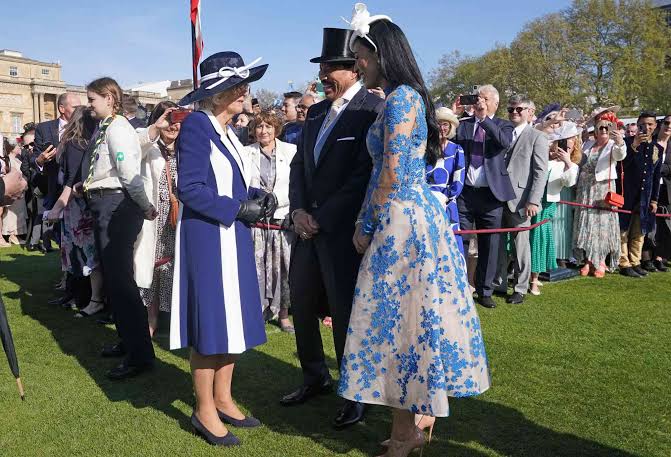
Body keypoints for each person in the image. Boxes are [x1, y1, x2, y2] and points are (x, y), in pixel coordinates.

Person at [339, 6, 490, 456]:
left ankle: (407, 434)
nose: (357, 64)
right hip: (403, 218)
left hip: (402, 225)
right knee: (400, 327)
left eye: (360, 56)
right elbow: (383, 174)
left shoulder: (402, 99)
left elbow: (391, 172)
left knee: (402, 329)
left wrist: (366, 225)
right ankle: (410, 425)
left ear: (380, 53)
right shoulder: (400, 98)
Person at [171, 52, 275, 446]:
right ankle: (203, 410)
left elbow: (226, 182)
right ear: (215, 95)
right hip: (208, 237)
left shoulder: (228, 130)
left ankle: (223, 397)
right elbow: (191, 188)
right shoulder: (198, 126)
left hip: (230, 235)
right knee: (212, 322)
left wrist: (254, 195)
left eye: (243, 85)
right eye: (236, 86)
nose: (244, 91)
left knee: (232, 321)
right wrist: (238, 208)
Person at [282, 27, 383, 432]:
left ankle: (355, 393)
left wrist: (322, 217)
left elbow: (363, 175)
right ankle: (314, 377)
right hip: (306, 230)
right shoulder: (317, 112)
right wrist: (300, 210)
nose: (324, 74)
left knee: (345, 316)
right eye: (322, 67)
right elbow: (298, 167)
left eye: (331, 68)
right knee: (302, 306)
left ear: (353, 69)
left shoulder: (368, 111)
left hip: (343, 234)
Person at [75, 77, 157, 380]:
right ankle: (129, 341)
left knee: (121, 282)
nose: (89, 104)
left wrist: (145, 204)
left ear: (109, 98)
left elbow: (128, 172)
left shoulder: (118, 128)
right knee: (115, 279)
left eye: (92, 99)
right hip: (105, 204)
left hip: (116, 205)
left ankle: (139, 355)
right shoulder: (109, 127)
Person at [454, 84, 515, 309]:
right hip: (465, 194)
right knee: (461, 240)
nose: (480, 101)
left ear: (495, 104)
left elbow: (504, 142)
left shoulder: (503, 125)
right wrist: (454, 113)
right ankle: (459, 286)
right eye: (478, 98)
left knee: (490, 245)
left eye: (485, 98)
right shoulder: (463, 125)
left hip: (492, 195)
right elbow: (445, 136)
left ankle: (485, 290)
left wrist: (483, 119)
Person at [45, 106, 104, 317]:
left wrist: (57, 207)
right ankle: (88, 298)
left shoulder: (73, 144)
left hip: (77, 208)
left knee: (83, 257)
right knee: (89, 256)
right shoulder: (93, 143)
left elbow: (70, 181)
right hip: (89, 205)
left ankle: (88, 299)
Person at [244, 110, 297, 332]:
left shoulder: (291, 151)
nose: (263, 131)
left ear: (276, 128)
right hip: (256, 220)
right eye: (258, 126)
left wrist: (278, 199)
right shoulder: (246, 153)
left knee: (283, 269)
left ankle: (284, 315)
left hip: (281, 219)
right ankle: (256, 313)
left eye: (267, 126)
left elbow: (296, 184)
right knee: (256, 269)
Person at [493, 94, 548, 305]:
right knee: (497, 242)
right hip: (497, 197)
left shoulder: (537, 137)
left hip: (521, 200)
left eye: (519, 109)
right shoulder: (503, 133)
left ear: (530, 112)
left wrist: (533, 201)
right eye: (510, 109)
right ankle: (498, 282)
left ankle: (520, 287)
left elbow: (540, 172)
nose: (514, 112)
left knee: (520, 245)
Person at [133, 101, 182, 337]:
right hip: (153, 218)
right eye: (168, 121)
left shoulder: (188, 148)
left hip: (179, 220)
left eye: (177, 121)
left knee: (175, 267)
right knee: (152, 267)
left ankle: (174, 318)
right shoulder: (148, 145)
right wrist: (155, 127)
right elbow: (134, 151)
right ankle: (151, 318)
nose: (173, 126)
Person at [573, 113, 626, 278]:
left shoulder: (613, 145)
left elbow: (620, 155)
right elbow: (578, 157)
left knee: (602, 226)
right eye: (600, 127)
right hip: (585, 189)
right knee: (587, 224)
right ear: (595, 130)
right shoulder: (588, 144)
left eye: (607, 127)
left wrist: (619, 141)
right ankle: (588, 260)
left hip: (603, 189)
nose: (603, 130)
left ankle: (601, 261)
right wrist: (580, 127)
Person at [529, 123, 580, 295]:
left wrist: (567, 162)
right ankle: (521, 274)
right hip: (530, 201)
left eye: (570, 143)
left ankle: (534, 279)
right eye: (562, 142)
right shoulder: (545, 158)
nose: (565, 146)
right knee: (525, 239)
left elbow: (568, 182)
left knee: (539, 240)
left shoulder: (572, 165)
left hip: (547, 206)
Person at [617, 112, 662, 277]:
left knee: (639, 230)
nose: (647, 127)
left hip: (645, 196)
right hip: (626, 192)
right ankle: (624, 263)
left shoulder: (657, 148)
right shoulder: (627, 142)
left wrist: (655, 200)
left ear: (655, 126)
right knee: (623, 229)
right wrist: (634, 146)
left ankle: (635, 261)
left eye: (650, 124)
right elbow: (621, 166)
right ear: (637, 124)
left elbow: (656, 176)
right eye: (643, 124)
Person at [425, 107, 465, 257]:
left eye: (445, 124)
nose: (442, 128)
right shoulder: (424, 148)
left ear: (450, 127)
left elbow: (458, 180)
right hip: (424, 202)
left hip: (447, 204)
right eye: (438, 124)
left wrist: (444, 197)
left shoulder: (456, 150)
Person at [652, 115, 671, 271]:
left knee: (664, 224)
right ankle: (646, 257)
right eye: (667, 123)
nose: (669, 126)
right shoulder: (651, 141)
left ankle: (660, 256)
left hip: (666, 189)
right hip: (650, 188)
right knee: (650, 223)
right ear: (661, 124)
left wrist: (661, 169)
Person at [1, 139, 27, 246]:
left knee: (19, 214)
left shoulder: (15, 159)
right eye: (17, 147)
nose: (19, 148)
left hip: (19, 192)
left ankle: (15, 235)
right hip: (14, 193)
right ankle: (12, 235)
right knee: (12, 215)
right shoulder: (9, 160)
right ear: (12, 149)